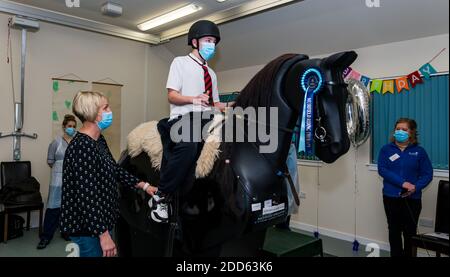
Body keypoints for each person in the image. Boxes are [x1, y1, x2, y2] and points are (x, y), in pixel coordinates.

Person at [60, 91, 157, 257]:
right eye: (105, 107)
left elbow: (114, 169)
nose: (110, 110)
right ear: (94, 114)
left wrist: (144, 185)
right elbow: (87, 196)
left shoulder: (98, 140)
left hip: (101, 222)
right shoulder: (82, 147)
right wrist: (103, 235)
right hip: (88, 229)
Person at [150, 20, 227, 223]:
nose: (212, 45)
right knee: (189, 146)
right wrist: (193, 99)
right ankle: (162, 195)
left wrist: (232, 105)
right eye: (208, 40)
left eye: (214, 41)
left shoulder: (212, 73)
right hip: (183, 118)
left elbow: (216, 103)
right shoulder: (179, 63)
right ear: (195, 42)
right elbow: (172, 96)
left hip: (207, 118)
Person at [378, 118, 433, 257]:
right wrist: (403, 183)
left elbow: (428, 174)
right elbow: (383, 170)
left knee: (410, 233)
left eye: (404, 129)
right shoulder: (386, 150)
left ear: (412, 133)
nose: (400, 132)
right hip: (391, 198)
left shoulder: (419, 152)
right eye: (397, 129)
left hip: (412, 199)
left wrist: (415, 187)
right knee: (394, 231)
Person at [37, 114, 77, 249]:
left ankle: (65, 232)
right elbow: (50, 161)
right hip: (57, 180)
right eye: (69, 126)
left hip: (72, 180)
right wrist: (60, 170)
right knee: (53, 207)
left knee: (68, 207)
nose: (71, 128)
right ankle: (46, 237)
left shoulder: (76, 142)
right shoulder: (56, 142)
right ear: (64, 127)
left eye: (73, 126)